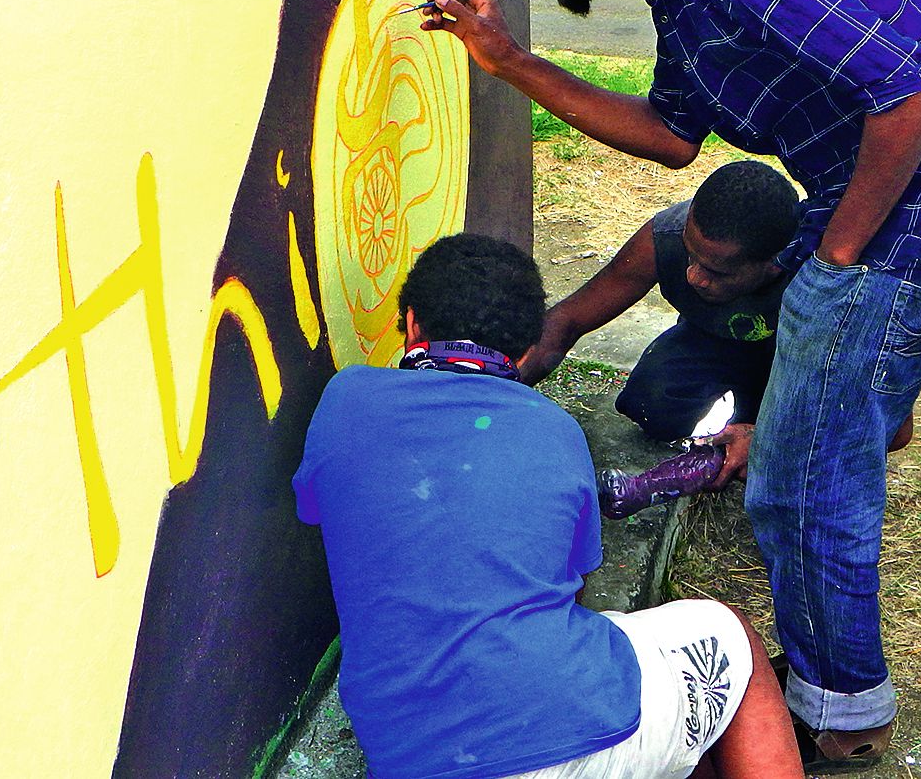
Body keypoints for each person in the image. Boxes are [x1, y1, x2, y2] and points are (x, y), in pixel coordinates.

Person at [424, 0, 921, 770]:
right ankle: (835, 689)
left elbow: (908, 88)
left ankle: (843, 721)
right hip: (920, 207)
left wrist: (835, 255)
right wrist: (506, 59)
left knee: (802, 483)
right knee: (805, 462)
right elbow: (673, 135)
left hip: (916, 220)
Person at [292, 233, 801, 779]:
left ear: (412, 324)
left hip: (412, 760)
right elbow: (572, 585)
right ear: (529, 350)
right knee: (729, 636)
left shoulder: (344, 400)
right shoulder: (554, 429)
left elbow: (323, 509)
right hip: (576, 733)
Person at [520, 160, 799, 480]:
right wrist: (497, 383)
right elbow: (568, 319)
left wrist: (765, 434)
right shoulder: (665, 236)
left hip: (799, 364)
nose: (693, 276)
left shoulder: (816, 273)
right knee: (649, 403)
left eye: (715, 272)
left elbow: (846, 390)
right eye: (690, 254)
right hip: (713, 341)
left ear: (775, 265)